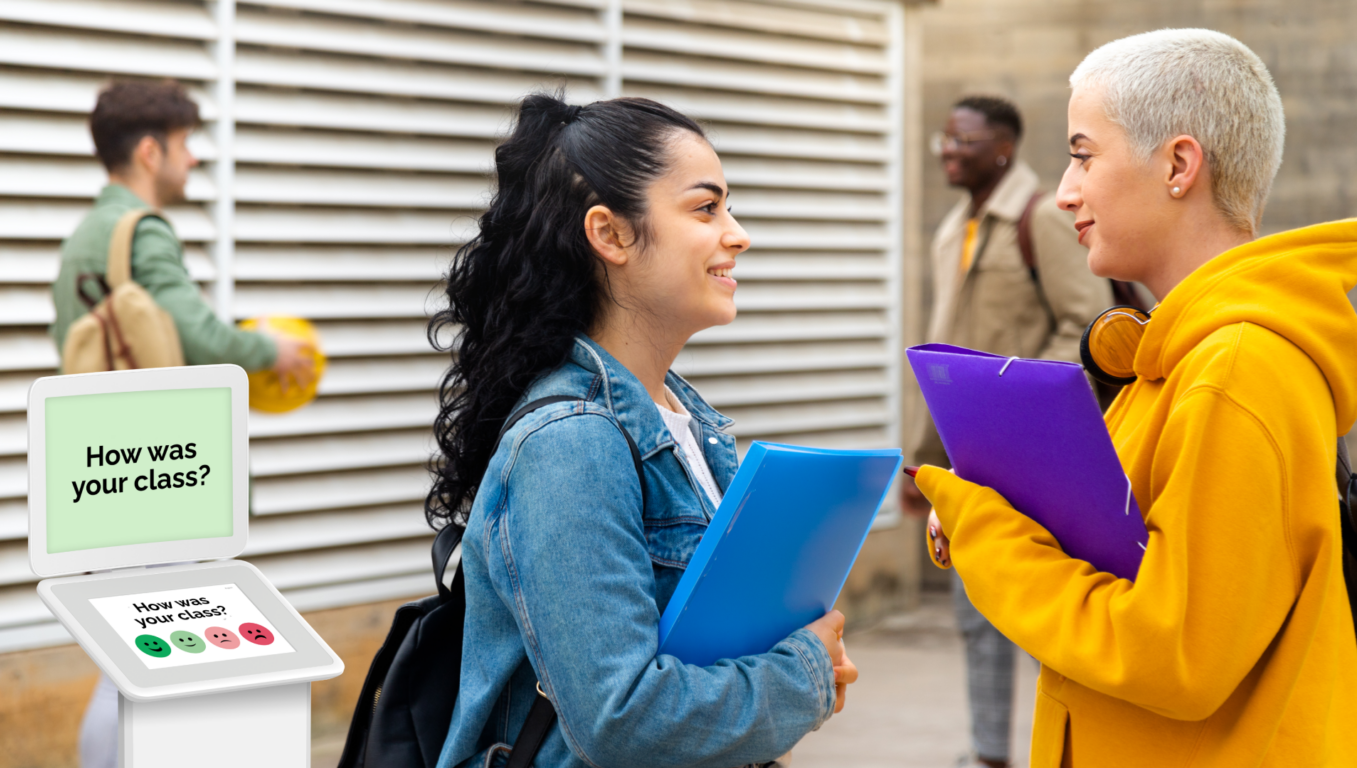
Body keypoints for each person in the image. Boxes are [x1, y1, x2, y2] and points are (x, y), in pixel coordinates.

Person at [921, 29, 1357, 767]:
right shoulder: (1173, 360)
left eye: (1084, 154)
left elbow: (1173, 654)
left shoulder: (1236, 371)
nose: (1064, 191)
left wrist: (984, 530)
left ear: (1179, 165)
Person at [429, 93, 858, 768]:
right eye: (705, 207)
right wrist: (804, 669)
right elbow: (622, 720)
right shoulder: (571, 443)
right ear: (611, 234)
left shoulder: (687, 422)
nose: (737, 233)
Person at [55, 79, 312, 768]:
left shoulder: (84, 236)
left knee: (115, 645)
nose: (192, 160)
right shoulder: (142, 232)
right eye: (184, 145)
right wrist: (271, 351)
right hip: (155, 473)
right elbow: (196, 335)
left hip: (94, 467)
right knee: (145, 649)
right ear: (149, 151)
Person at [903, 94, 1111, 768]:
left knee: (1052, 612)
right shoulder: (951, 231)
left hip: (1032, 447)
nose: (946, 149)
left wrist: (1010, 397)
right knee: (976, 609)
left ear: (1004, 148)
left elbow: (1085, 324)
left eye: (963, 139)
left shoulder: (1040, 217)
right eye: (943, 137)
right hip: (971, 455)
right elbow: (943, 353)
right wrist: (921, 461)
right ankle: (990, 753)